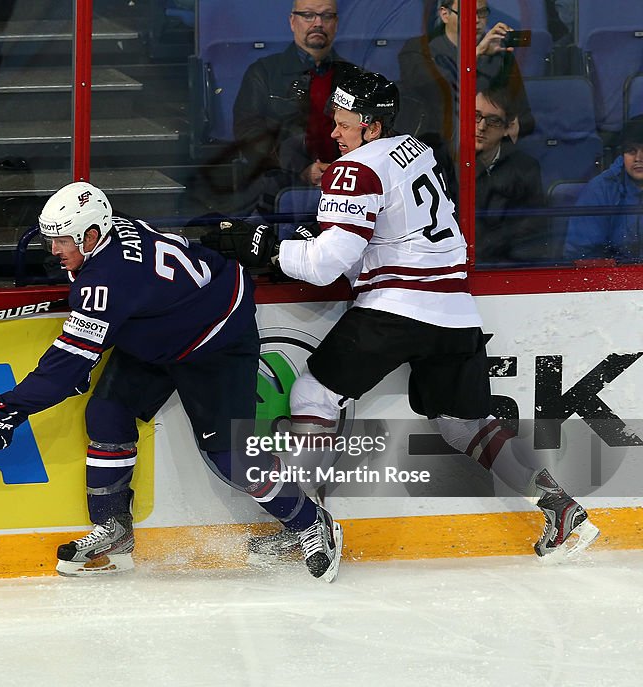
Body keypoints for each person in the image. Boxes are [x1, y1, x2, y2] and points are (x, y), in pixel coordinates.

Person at [213, 71, 600, 561]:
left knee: (314, 392)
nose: (335, 134)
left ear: (372, 127)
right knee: (464, 425)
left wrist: (269, 250)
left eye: (345, 124)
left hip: (395, 308)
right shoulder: (416, 150)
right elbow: (385, 233)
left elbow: (327, 263)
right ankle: (561, 509)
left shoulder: (355, 169)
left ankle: (308, 525)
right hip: (456, 312)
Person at [0, 181, 342, 581]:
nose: (54, 250)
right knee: (107, 415)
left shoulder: (106, 279)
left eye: (61, 241)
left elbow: (66, 365)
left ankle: (311, 523)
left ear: (91, 236)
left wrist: (5, 410)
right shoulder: (111, 238)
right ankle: (114, 530)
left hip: (215, 339)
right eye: (50, 240)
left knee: (232, 456)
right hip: (162, 332)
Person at [233, 0, 362, 214]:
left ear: (336, 23)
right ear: (293, 21)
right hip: (278, 188)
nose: (318, 23)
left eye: (327, 16)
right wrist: (300, 168)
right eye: (308, 15)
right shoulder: (263, 72)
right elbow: (248, 134)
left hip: (347, 189)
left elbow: (369, 134)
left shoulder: (355, 77)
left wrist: (340, 172)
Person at [398, 0, 532, 153]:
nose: (476, 20)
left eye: (481, 13)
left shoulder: (500, 56)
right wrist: (475, 55)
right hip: (435, 149)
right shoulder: (418, 50)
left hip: (486, 151)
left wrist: (509, 127)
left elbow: (523, 116)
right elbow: (432, 89)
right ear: (445, 14)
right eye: (466, 14)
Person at [473, 86, 548, 264]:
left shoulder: (526, 168)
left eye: (493, 121)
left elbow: (532, 226)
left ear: (508, 127)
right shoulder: (448, 163)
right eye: (476, 116)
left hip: (506, 262)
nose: (481, 127)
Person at [564, 116, 643, 262]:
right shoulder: (600, 189)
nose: (638, 158)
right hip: (613, 280)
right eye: (631, 151)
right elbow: (582, 254)